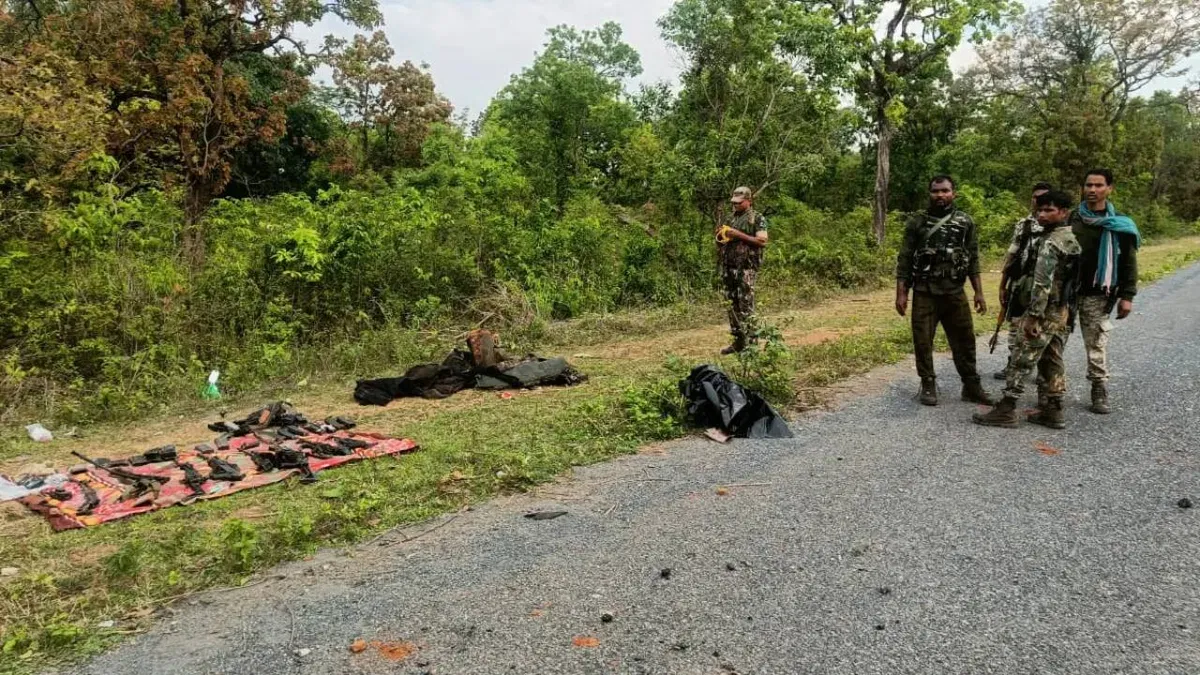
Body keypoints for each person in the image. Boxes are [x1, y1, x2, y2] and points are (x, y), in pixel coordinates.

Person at [974, 190, 1081, 429]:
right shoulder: (1072, 237)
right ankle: (1053, 409)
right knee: (1052, 357)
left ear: (1063, 212)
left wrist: (1034, 316)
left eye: (1049, 210)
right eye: (1040, 210)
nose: (1042, 215)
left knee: (1022, 356)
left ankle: (1007, 407)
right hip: (1062, 309)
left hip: (1045, 310)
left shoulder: (1052, 241)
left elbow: (1042, 282)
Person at [895, 175, 994, 407]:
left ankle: (971, 385)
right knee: (922, 340)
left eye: (945, 191)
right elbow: (905, 259)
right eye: (935, 191)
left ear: (953, 193)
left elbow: (973, 257)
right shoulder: (917, 222)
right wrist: (901, 293)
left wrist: (978, 292)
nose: (940, 195)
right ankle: (928, 383)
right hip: (924, 291)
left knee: (965, 340)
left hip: (954, 291)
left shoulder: (965, 221)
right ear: (929, 194)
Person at [1070, 168, 1140, 414]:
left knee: (1096, 343)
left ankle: (1098, 389)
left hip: (1098, 293)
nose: (1092, 190)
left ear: (1109, 188)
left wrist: (1127, 296)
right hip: (1066, 292)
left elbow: (1129, 262)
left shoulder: (1120, 224)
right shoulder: (1072, 218)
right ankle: (1049, 390)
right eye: (1088, 185)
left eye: (1098, 185)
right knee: (1051, 340)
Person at [994, 181, 1053, 381]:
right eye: (1035, 197)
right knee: (1015, 325)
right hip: (1021, 283)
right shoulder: (1024, 224)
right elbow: (1012, 255)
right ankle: (1013, 363)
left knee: (1043, 328)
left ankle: (1042, 369)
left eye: (1044, 197)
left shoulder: (1059, 226)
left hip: (1046, 287)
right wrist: (1003, 285)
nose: (1038, 201)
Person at [716, 186, 769, 354]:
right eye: (734, 203)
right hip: (729, 267)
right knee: (732, 305)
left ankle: (751, 344)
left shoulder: (757, 218)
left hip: (746, 268)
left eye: (739, 203)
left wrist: (737, 234)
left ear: (748, 201)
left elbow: (762, 241)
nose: (735, 205)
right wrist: (720, 237)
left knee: (746, 305)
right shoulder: (730, 218)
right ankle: (739, 342)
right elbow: (723, 241)